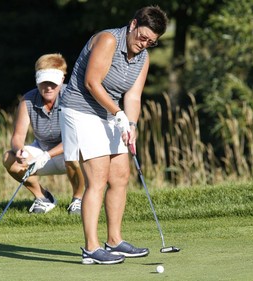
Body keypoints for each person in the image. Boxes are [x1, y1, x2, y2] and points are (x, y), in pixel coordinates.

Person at [59, 6, 168, 264]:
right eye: (142, 37)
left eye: (151, 43)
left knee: (119, 176)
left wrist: (131, 124)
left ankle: (115, 241)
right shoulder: (108, 40)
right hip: (80, 111)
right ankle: (91, 248)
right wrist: (118, 113)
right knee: (97, 178)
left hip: (110, 114)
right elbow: (91, 82)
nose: (144, 44)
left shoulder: (143, 58)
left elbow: (133, 95)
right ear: (132, 24)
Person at [3, 53, 84, 215]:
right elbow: (18, 136)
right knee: (9, 158)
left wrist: (47, 156)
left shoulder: (73, 96)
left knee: (73, 154)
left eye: (52, 83)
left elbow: (74, 139)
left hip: (69, 154)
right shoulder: (28, 101)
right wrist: (20, 151)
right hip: (41, 150)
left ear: (62, 79)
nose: (48, 87)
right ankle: (43, 198)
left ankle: (78, 199)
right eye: (43, 82)